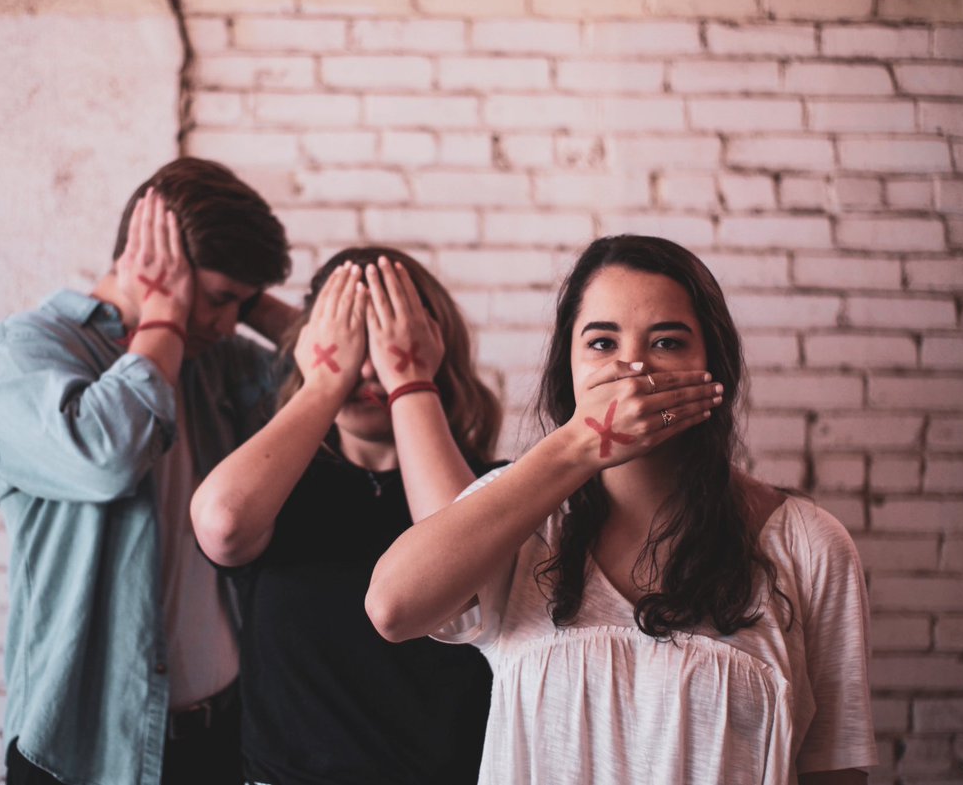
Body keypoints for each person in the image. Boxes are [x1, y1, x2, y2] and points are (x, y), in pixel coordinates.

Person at [366, 235, 877, 785]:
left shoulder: (809, 544)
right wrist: (580, 444)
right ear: (568, 367)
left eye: (667, 342)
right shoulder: (522, 518)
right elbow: (393, 609)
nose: (632, 369)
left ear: (714, 364)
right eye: (602, 343)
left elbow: (835, 767)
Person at [0, 157, 295, 785]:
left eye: (241, 306)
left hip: (220, 739)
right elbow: (107, 458)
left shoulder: (213, 358)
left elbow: (331, 378)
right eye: (220, 299)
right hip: (84, 754)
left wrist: (254, 306)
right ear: (158, 264)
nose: (226, 323)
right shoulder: (29, 348)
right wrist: (165, 318)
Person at [191, 247, 501, 785]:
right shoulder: (279, 486)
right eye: (351, 344)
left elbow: (460, 581)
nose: (368, 368)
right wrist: (324, 382)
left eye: (385, 344)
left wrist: (409, 381)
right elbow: (222, 524)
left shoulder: (496, 488)